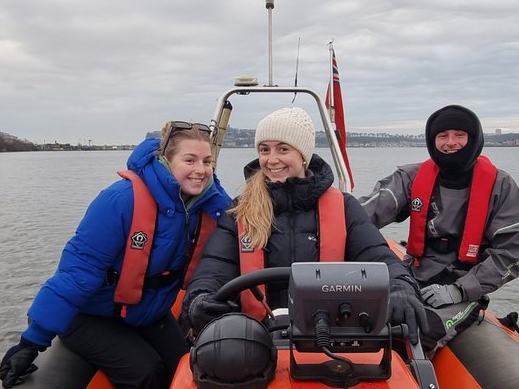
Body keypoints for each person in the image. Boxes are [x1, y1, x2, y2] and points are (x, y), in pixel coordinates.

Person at [0, 120, 231, 389]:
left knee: (186, 365)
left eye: (207, 161)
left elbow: (243, 227)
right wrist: (32, 342)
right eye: (190, 160)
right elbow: (77, 274)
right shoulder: (120, 200)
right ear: (166, 160)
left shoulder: (205, 203)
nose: (200, 170)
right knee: (145, 371)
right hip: (91, 317)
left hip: (144, 311)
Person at [182, 107, 428, 346]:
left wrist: (399, 285)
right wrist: (200, 298)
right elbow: (214, 269)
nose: (271, 159)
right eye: (264, 150)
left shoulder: (343, 207)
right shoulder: (239, 211)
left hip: (332, 336)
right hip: (255, 338)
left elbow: (375, 254)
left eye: (283, 149)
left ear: (303, 155)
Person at [359, 104, 519, 351]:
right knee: (363, 319)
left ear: (473, 138)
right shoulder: (411, 177)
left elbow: (511, 253)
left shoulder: (500, 186)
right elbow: (365, 213)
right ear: (432, 140)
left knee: (416, 333)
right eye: (442, 136)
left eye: (459, 135)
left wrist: (459, 291)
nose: (451, 142)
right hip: (412, 274)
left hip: (463, 284)